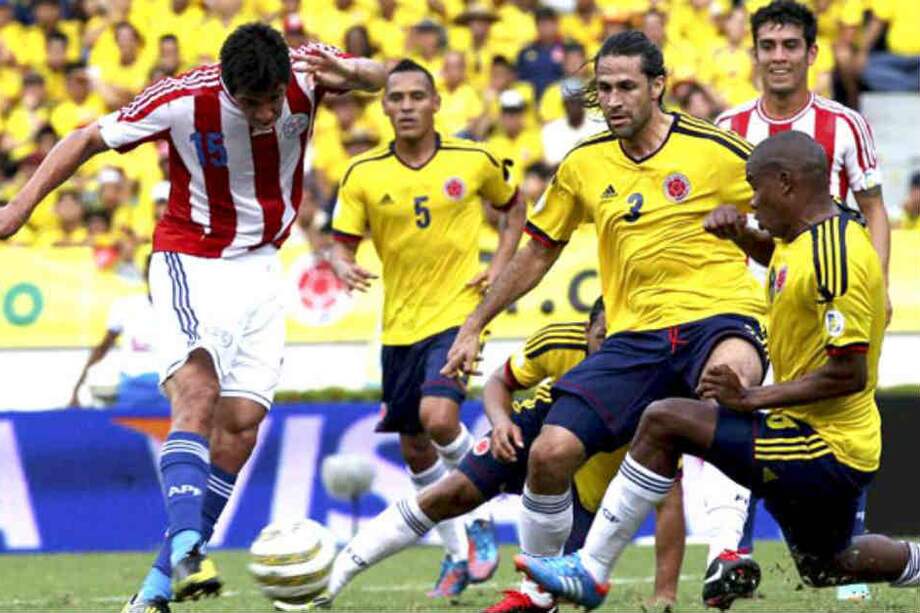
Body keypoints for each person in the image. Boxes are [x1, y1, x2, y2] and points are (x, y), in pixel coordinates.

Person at [0, 22, 386, 613]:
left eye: (272, 101)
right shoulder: (183, 98)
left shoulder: (309, 68)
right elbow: (84, 138)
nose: (264, 115)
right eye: (250, 104)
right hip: (190, 258)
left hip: (261, 268)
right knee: (197, 393)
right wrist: (18, 208)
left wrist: (361, 75)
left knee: (241, 426)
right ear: (228, 86)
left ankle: (155, 588)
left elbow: (390, 78)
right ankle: (187, 547)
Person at [517, 130, 920, 611]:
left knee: (666, 420)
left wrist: (751, 399)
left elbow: (849, 373)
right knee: (830, 564)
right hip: (825, 438)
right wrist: (742, 237)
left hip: (825, 446)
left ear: (788, 184)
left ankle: (590, 568)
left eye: (756, 186)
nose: (750, 199)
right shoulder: (805, 238)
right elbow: (790, 269)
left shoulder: (839, 255)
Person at [441, 29, 767, 612]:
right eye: (603, 89)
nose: (612, 100)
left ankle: (725, 551)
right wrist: (474, 324)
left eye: (625, 87)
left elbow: (789, 233)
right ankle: (540, 590)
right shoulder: (583, 165)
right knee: (550, 452)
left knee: (729, 385)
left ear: (658, 86)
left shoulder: (718, 150)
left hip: (719, 316)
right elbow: (537, 252)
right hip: (634, 335)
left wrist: (745, 233)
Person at [306, 299, 685, 612]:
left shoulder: (650, 378)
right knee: (449, 493)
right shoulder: (557, 342)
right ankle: (329, 582)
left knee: (562, 589)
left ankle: (535, 596)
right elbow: (499, 382)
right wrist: (501, 422)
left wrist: (664, 593)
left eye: (618, 341)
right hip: (532, 430)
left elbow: (669, 500)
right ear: (588, 331)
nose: (607, 350)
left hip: (587, 496)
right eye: (602, 337)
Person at [714, 3, 891, 600]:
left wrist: (880, 285)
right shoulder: (729, 127)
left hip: (828, 295)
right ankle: (729, 552)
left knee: (837, 408)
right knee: (732, 408)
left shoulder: (844, 125)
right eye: (769, 45)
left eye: (792, 44)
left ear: (813, 53)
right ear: (755, 53)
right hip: (749, 294)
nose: (780, 56)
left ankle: (847, 561)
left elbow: (872, 209)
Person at [329, 59, 525, 599]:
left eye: (419, 96)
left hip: (457, 316)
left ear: (437, 103)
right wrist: (342, 263)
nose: (409, 105)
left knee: (438, 418)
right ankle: (453, 552)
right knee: (416, 450)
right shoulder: (363, 173)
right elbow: (340, 241)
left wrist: (503, 263)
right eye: (398, 98)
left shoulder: (475, 159)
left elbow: (515, 209)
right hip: (397, 325)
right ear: (385, 106)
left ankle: (480, 512)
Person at [69, 258, 160, 408]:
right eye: (151, 273)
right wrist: (77, 388)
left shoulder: (185, 310)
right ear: (144, 274)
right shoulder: (126, 306)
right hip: (132, 388)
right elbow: (102, 348)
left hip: (169, 390)